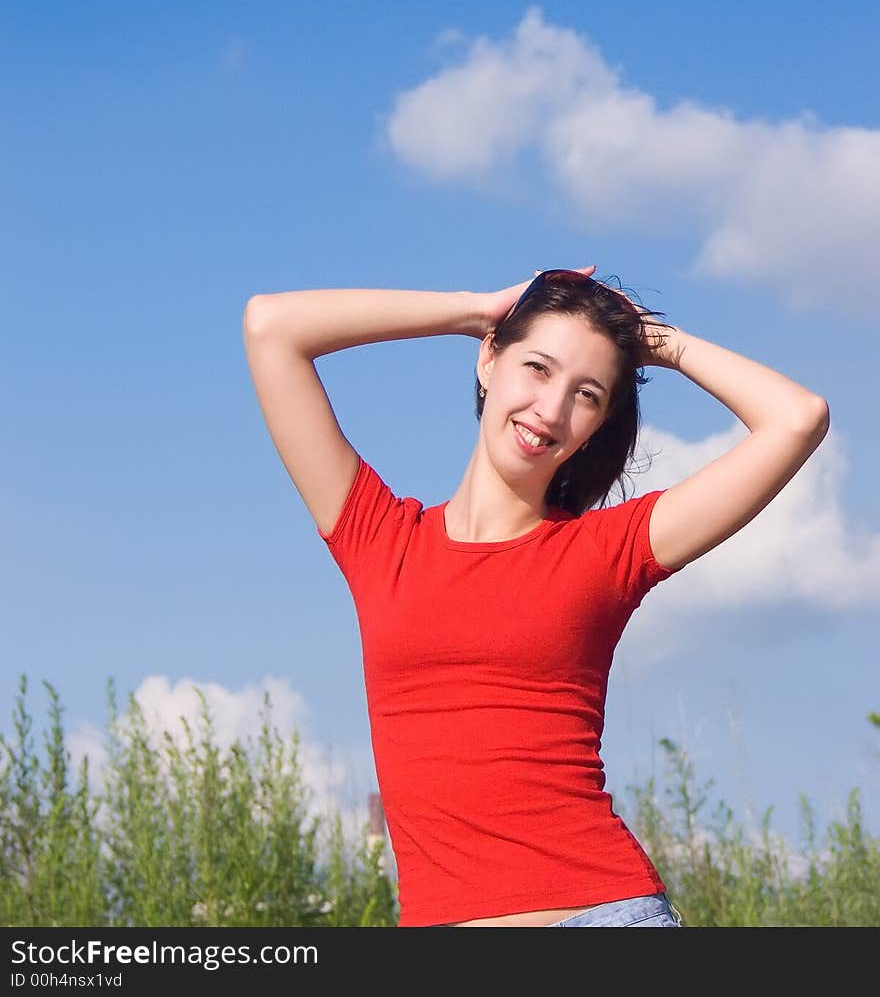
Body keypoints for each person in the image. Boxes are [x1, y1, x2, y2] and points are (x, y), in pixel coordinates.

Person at [242, 267, 829, 928]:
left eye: (586, 393)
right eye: (539, 368)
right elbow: (271, 327)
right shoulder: (381, 539)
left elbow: (796, 418)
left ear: (596, 426)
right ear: (489, 359)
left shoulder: (606, 551)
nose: (550, 410)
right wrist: (474, 309)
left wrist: (655, 341)